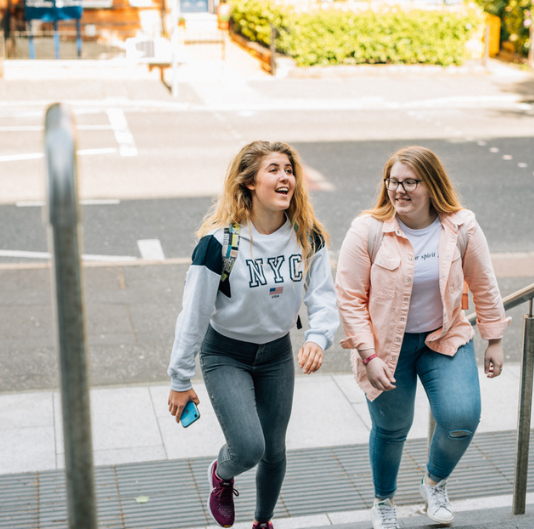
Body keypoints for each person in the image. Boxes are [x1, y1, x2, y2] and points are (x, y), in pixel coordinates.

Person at [167, 141, 340, 529]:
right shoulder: (218, 245)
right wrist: (180, 379)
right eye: (274, 169)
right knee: (249, 447)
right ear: (248, 183)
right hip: (225, 355)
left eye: (289, 170)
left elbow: (324, 299)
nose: (286, 177)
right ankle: (222, 474)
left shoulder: (307, 237)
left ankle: (263, 522)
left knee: (275, 452)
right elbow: (193, 316)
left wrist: (317, 338)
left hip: (276, 355)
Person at [335, 146, 510, 528]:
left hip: (443, 339)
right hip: (384, 350)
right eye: (393, 181)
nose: (400, 190)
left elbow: (483, 282)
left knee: (461, 417)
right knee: (392, 429)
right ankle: (384, 502)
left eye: (410, 182)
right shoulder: (367, 230)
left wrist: (493, 337)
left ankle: (433, 483)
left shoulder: (461, 227)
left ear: (431, 185)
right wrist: (368, 355)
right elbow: (349, 299)